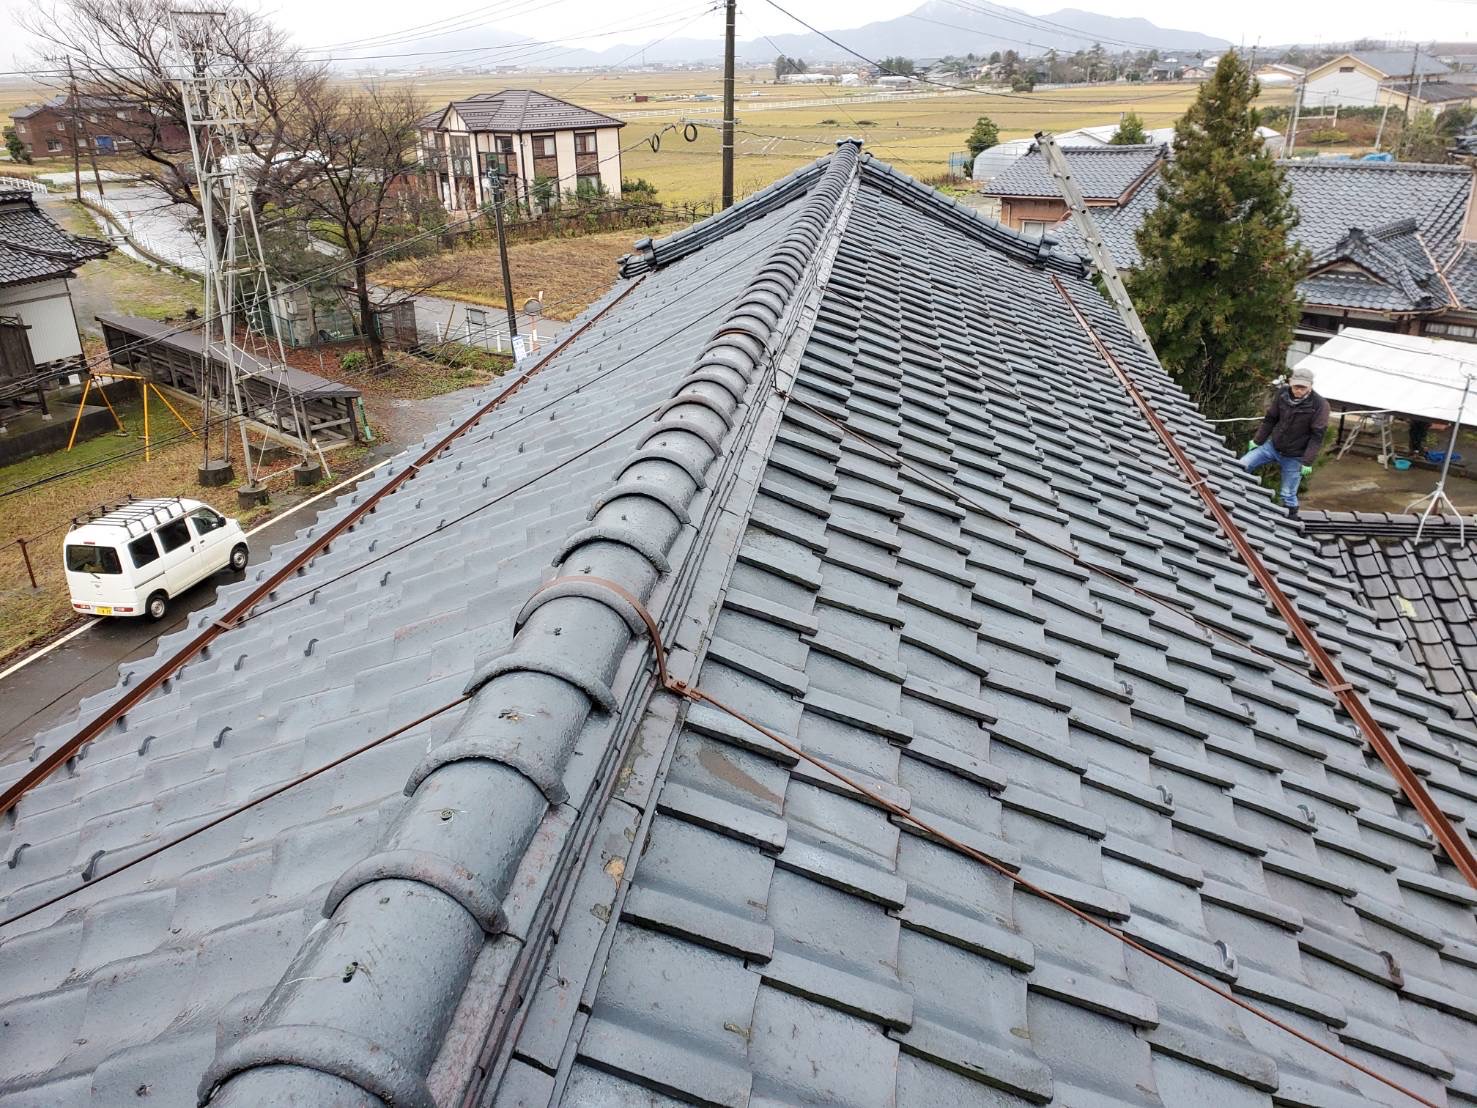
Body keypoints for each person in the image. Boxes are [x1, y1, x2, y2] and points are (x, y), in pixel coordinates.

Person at [1239, 366, 1331, 517]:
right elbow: (1271, 419)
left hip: (1295, 456)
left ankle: (1291, 522)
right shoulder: (1282, 394)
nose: (1299, 390)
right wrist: (1257, 441)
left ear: (1310, 386)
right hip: (1273, 446)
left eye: (1303, 387)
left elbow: (1317, 437)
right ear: (1290, 383)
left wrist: (1307, 462)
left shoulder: (1320, 405)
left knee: (1287, 494)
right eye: (1296, 387)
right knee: (1241, 466)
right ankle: (1237, 497)